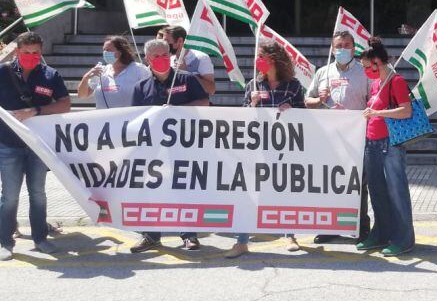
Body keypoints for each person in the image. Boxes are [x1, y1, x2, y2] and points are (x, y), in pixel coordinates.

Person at [225, 40, 306, 259]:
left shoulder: (294, 85)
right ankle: (242, 241)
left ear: (274, 59)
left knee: (285, 192)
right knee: (249, 194)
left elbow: (305, 117)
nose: (257, 60)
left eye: (261, 56)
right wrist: (250, 104)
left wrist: (292, 110)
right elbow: (242, 117)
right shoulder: (252, 85)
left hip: (284, 148)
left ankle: (289, 235)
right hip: (257, 149)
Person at [129, 38, 210, 253]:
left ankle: (189, 235)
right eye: (156, 56)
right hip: (153, 150)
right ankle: (151, 236)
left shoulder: (187, 79)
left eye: (165, 55)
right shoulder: (141, 87)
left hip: (183, 147)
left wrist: (177, 110)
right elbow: (136, 117)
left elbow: (204, 103)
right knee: (151, 192)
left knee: (184, 191)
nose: (161, 59)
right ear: (147, 59)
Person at [0, 32, 71, 260]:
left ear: (41, 52)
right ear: (17, 52)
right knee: (10, 196)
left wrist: (36, 111)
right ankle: (5, 241)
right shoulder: (3, 72)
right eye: (26, 52)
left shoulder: (50, 75)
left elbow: (65, 104)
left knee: (38, 194)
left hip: (38, 145)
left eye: (36, 53)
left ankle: (40, 239)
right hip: (8, 144)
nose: (32, 56)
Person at [305, 30, 371, 243]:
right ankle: (330, 226)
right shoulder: (323, 72)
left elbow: (373, 102)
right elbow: (308, 100)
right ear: (332, 49)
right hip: (329, 138)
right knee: (331, 182)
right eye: (338, 46)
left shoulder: (365, 73)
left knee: (358, 184)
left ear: (354, 48)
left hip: (357, 137)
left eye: (346, 45)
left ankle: (360, 227)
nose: (342, 49)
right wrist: (318, 100)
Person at [356, 38, 415, 257]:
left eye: (365, 66)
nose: (364, 71)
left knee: (396, 191)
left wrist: (378, 113)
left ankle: (404, 238)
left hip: (390, 143)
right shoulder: (375, 83)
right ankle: (381, 232)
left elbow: (406, 111)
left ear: (377, 62)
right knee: (377, 191)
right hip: (372, 142)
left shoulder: (396, 81)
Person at [77, 36, 150, 109]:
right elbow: (82, 95)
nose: (105, 52)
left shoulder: (139, 69)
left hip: (130, 118)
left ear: (120, 52)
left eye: (108, 50)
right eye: (104, 50)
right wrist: (85, 78)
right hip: (105, 119)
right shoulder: (100, 71)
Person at [159, 25, 216, 97]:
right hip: (174, 105)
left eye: (166, 41)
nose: (164, 45)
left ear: (180, 41)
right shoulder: (169, 59)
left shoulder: (201, 58)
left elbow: (211, 89)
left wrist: (187, 73)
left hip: (195, 106)